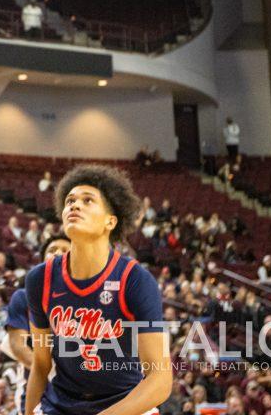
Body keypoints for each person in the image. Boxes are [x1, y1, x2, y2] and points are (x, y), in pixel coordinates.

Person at [23, 165, 171, 415]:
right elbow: (40, 364)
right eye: (69, 200)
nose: (74, 205)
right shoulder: (41, 279)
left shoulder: (134, 279)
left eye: (87, 200)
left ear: (110, 221)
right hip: (60, 403)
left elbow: (160, 379)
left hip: (124, 403)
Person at [3, 235, 71, 415]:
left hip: (76, 392)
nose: (57, 253)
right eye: (52, 250)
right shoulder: (24, 296)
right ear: (42, 261)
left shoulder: (87, 301)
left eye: (65, 250)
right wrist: (51, 372)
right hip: (36, 389)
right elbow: (17, 345)